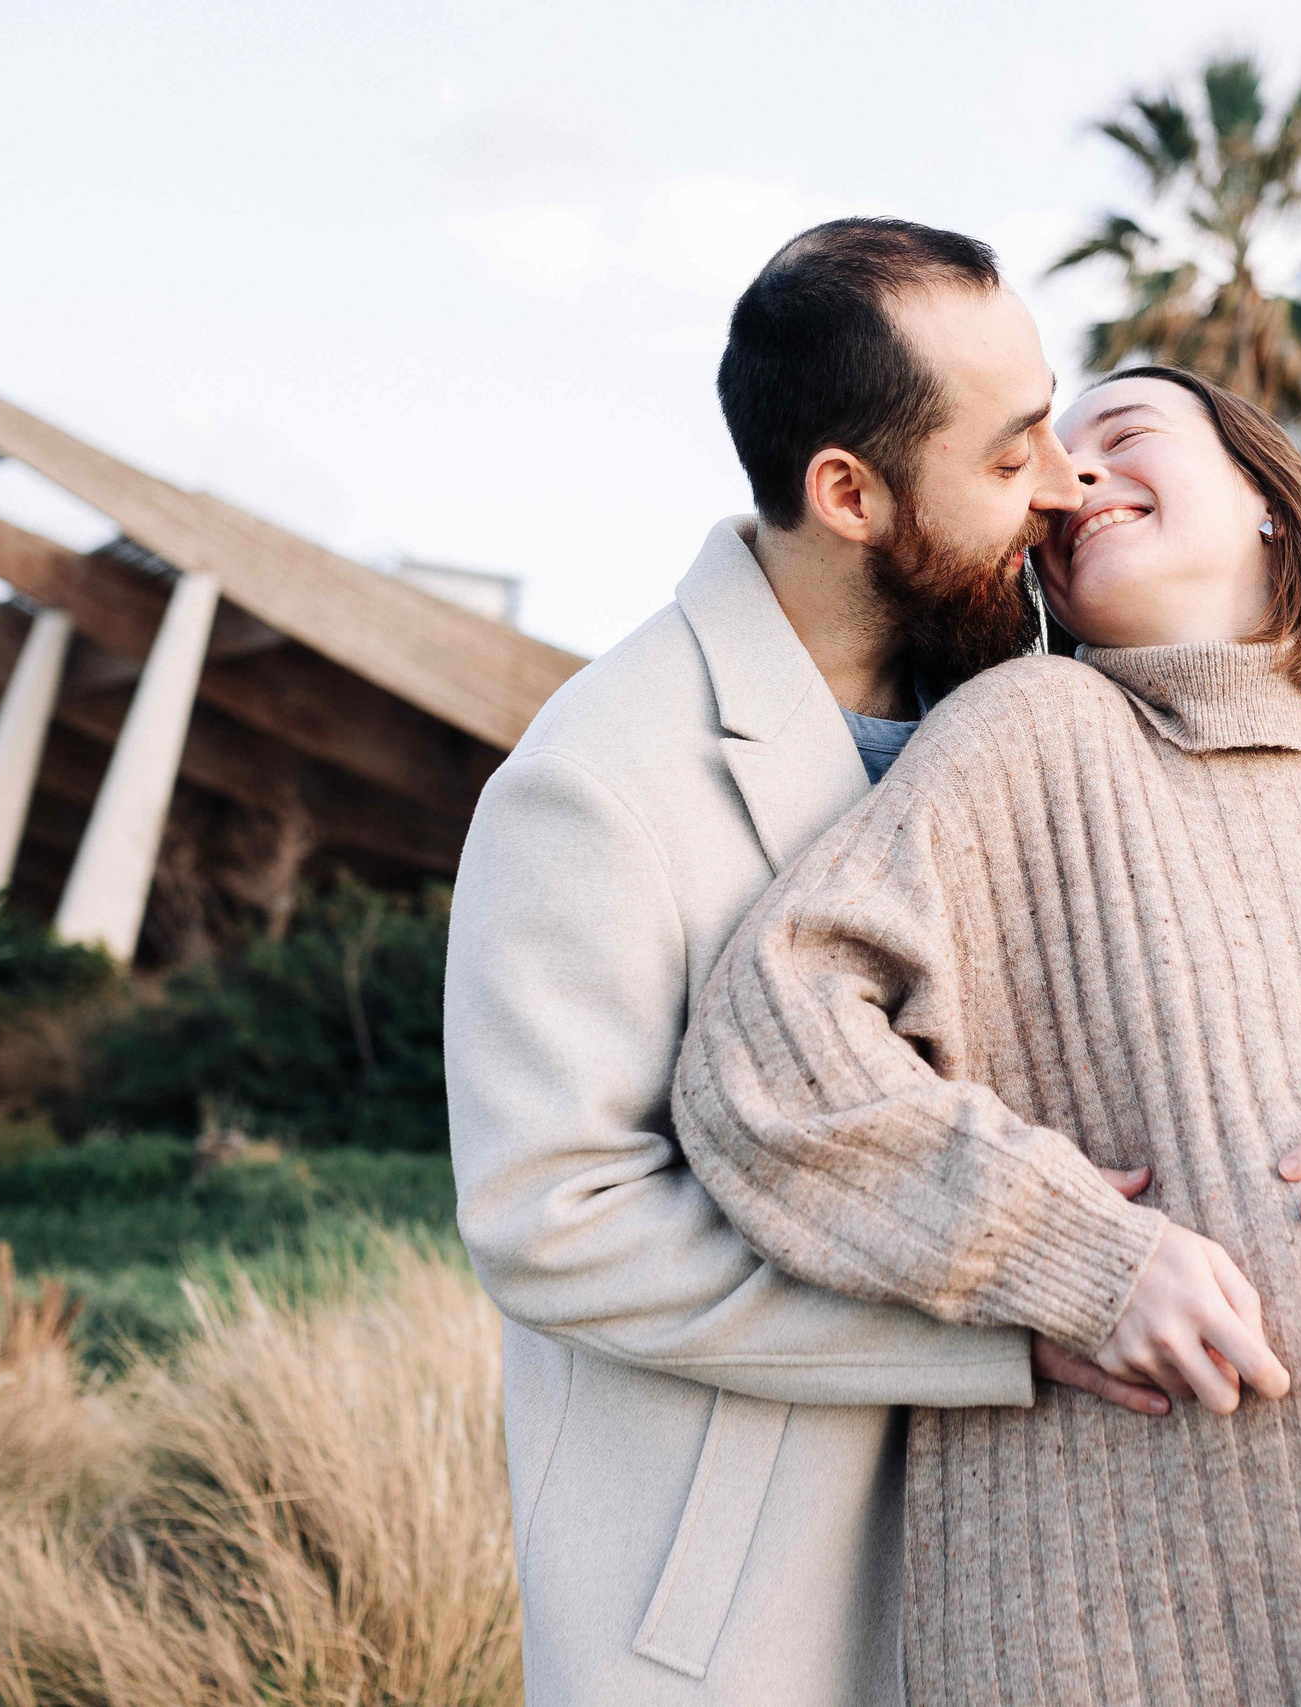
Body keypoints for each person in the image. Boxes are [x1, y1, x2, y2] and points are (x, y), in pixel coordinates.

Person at [674, 366, 1301, 1706]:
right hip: (1108, 1586)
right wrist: (1075, 1256)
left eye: (1120, 437)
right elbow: (765, 1053)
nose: (1074, 482)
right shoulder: (1027, 734)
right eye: (1049, 472)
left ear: (1266, 498)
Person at [445, 219, 1182, 1707]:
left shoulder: (1032, 699)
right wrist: (1007, 1311)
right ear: (849, 492)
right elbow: (554, 1216)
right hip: (742, 1624)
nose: (1064, 483)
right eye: (1011, 448)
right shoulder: (591, 780)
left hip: (1036, 1568)